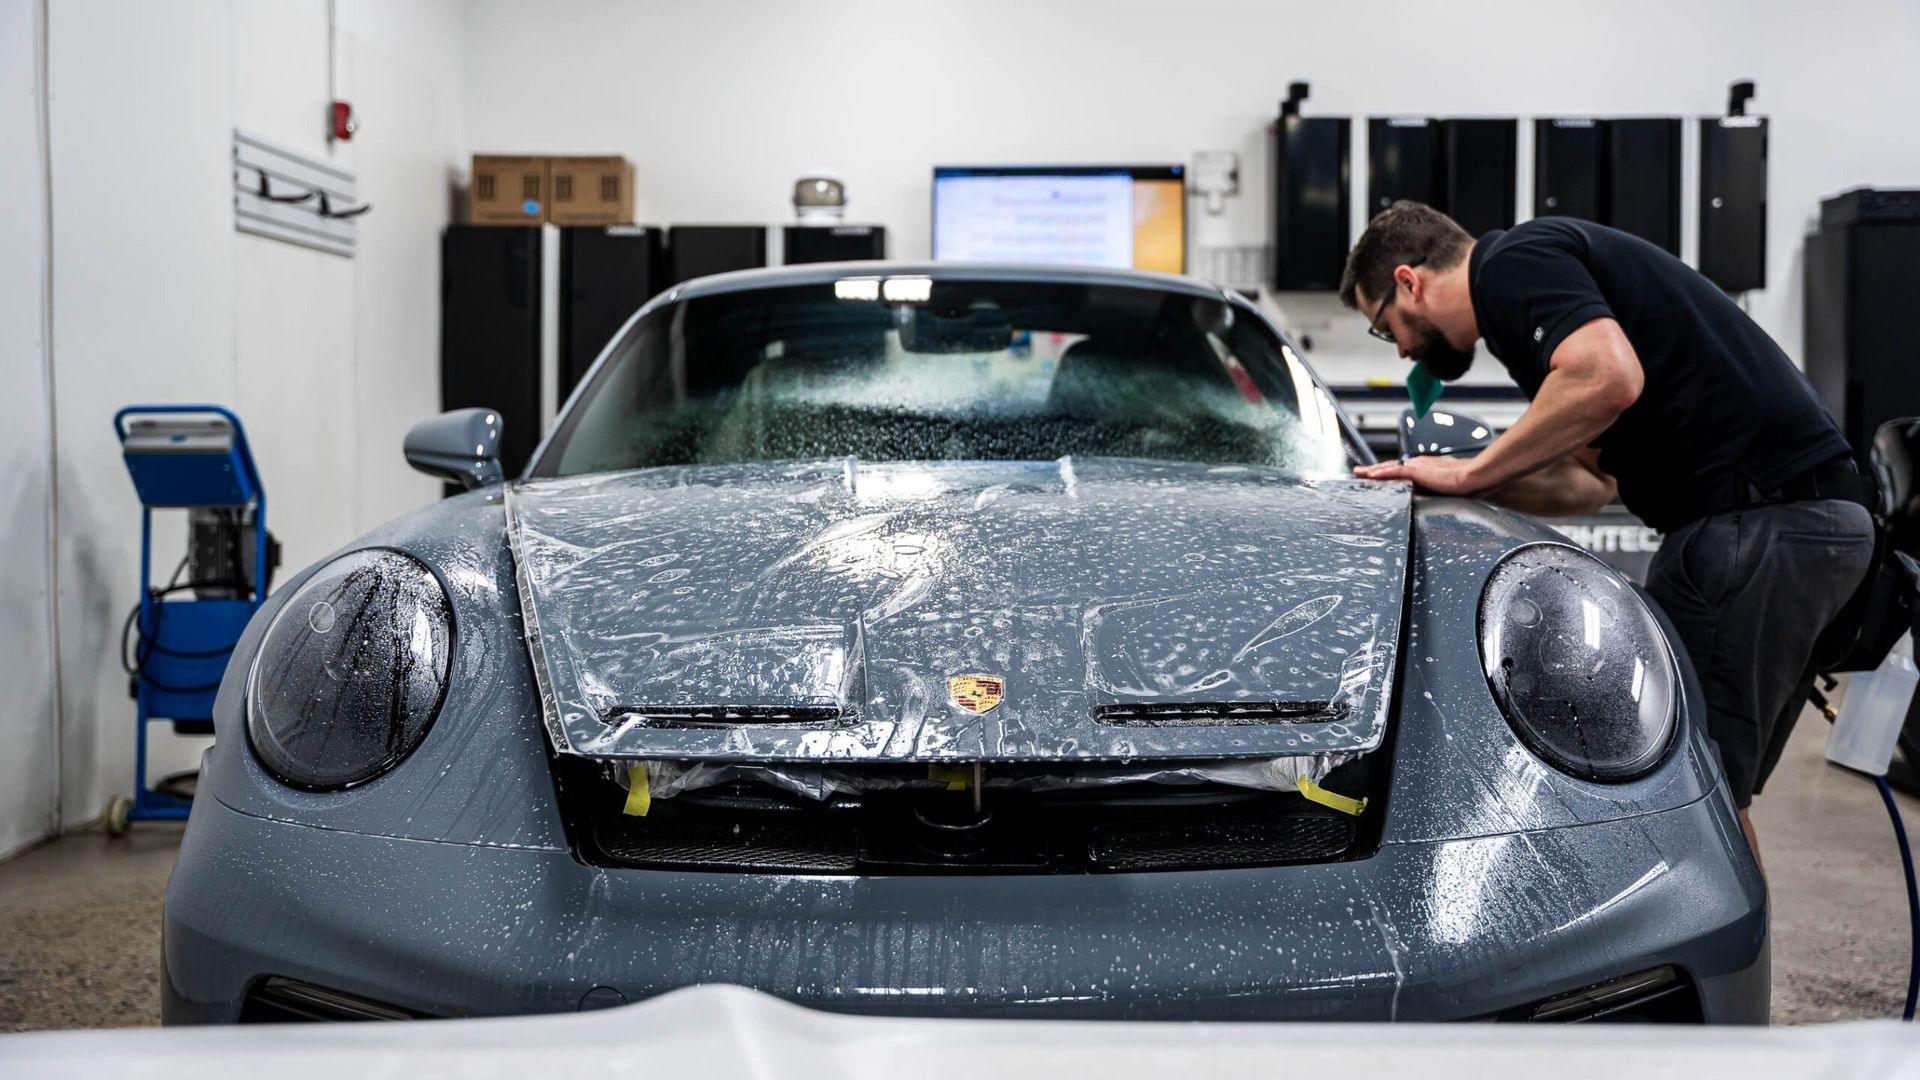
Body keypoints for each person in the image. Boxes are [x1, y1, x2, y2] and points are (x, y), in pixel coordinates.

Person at [1339, 200, 1877, 866]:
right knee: (1708, 793)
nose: (1399, 348)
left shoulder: (1510, 264)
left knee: (1683, 798)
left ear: (1409, 282)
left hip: (1754, 525)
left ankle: (1714, 965)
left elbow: (1608, 377)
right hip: (1802, 524)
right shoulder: (1535, 302)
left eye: (1383, 324)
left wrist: (1474, 469)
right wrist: (1457, 480)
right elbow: (1592, 482)